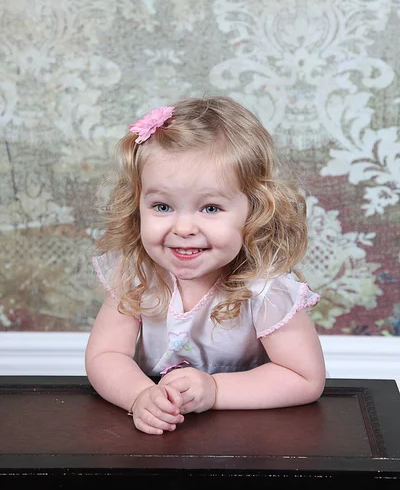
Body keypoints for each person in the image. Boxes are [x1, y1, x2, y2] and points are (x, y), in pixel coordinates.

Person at [86, 96, 326, 435]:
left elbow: (304, 377)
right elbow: (106, 354)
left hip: (245, 429)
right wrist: (141, 395)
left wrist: (215, 391)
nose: (183, 229)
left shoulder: (265, 289)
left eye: (210, 208)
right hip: (163, 428)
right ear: (136, 204)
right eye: (163, 206)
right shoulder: (136, 274)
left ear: (255, 211)